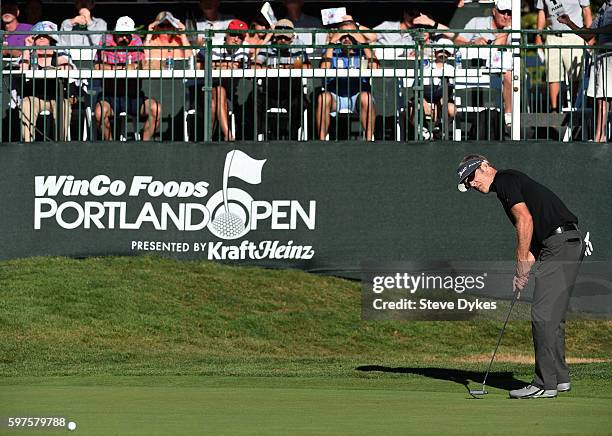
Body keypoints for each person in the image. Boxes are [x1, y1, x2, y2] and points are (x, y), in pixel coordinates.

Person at [456, 154, 584, 399]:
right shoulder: (509, 183)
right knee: (552, 316)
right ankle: (559, 379)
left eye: (470, 177)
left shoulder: (503, 180)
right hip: (564, 242)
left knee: (542, 314)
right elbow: (535, 235)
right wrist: (523, 272)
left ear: (484, 166)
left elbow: (524, 221)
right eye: (467, 183)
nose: (471, 184)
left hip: (559, 244)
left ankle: (544, 384)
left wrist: (520, 265)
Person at [94, 16, 161, 141]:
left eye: (127, 35)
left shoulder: (136, 40)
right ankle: (111, 144)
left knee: (156, 109)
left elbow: (141, 65)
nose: (124, 38)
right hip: (110, 96)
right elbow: (98, 66)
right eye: (121, 34)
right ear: (115, 31)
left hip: (134, 96)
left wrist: (116, 68)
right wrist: (124, 68)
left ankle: (143, 143)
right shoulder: (105, 39)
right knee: (99, 113)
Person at [455, 0, 514, 131]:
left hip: (499, 71)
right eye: (502, 12)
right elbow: (458, 40)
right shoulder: (476, 22)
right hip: (472, 71)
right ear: (494, 11)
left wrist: (506, 31)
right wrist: (473, 42)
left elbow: (499, 48)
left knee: (509, 75)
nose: (506, 16)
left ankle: (508, 114)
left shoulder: (513, 29)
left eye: (509, 13)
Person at [317, 17, 378, 141]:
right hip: (336, 95)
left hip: (358, 95)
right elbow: (324, 68)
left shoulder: (363, 51)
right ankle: (322, 141)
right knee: (323, 98)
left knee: (366, 97)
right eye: (343, 35)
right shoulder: (332, 50)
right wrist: (332, 42)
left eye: (351, 35)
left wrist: (363, 43)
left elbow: (375, 67)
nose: (347, 38)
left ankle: (369, 140)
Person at [558, 2, 612, 142]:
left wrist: (596, 32)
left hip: (609, 55)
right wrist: (569, 23)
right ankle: (600, 135)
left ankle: (601, 136)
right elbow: (589, 36)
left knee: (604, 98)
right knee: (601, 98)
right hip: (601, 56)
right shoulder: (603, 8)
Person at [18, 21, 75, 142]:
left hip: (56, 96)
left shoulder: (58, 54)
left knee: (64, 107)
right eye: (38, 35)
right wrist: (27, 48)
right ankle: (28, 143)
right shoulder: (30, 54)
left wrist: (56, 67)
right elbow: (23, 70)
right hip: (34, 97)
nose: (42, 37)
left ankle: (60, 143)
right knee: (26, 104)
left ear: (51, 38)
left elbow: (67, 68)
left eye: (45, 35)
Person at [254, 18, 310, 139]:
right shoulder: (268, 46)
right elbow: (255, 65)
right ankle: (261, 135)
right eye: (279, 37)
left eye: (286, 37)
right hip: (270, 92)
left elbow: (306, 65)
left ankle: (293, 136)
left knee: (300, 103)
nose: (283, 40)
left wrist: (283, 68)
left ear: (292, 37)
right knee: (254, 101)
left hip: (291, 92)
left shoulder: (298, 45)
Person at [535, 0, 592, 112]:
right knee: (552, 75)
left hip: (575, 36)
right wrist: (538, 35)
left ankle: (575, 106)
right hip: (553, 36)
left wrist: (589, 36)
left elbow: (586, 11)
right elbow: (541, 12)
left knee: (576, 75)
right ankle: (554, 109)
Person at [198, 19, 250, 141]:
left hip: (231, 91)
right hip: (203, 88)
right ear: (226, 34)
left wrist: (216, 65)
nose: (236, 39)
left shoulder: (245, 48)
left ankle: (207, 139)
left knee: (218, 94)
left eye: (240, 36)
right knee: (216, 95)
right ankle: (227, 135)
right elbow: (198, 63)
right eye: (233, 34)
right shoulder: (213, 43)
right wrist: (223, 65)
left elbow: (242, 67)